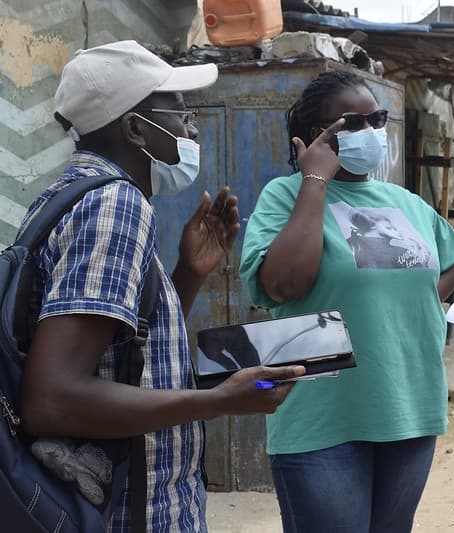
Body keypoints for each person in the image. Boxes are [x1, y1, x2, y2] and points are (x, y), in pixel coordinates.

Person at [20, 41, 303, 531]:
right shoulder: (115, 204)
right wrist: (220, 402)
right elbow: (53, 397)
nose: (192, 129)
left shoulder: (70, 193)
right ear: (134, 127)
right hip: (132, 512)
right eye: (180, 113)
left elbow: (118, 357)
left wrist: (187, 276)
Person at [239, 70, 454, 533]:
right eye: (353, 124)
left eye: (376, 119)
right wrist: (314, 182)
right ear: (312, 138)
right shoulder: (284, 195)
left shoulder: (403, 202)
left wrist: (408, 314)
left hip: (408, 408)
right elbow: (283, 285)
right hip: (322, 417)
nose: (371, 133)